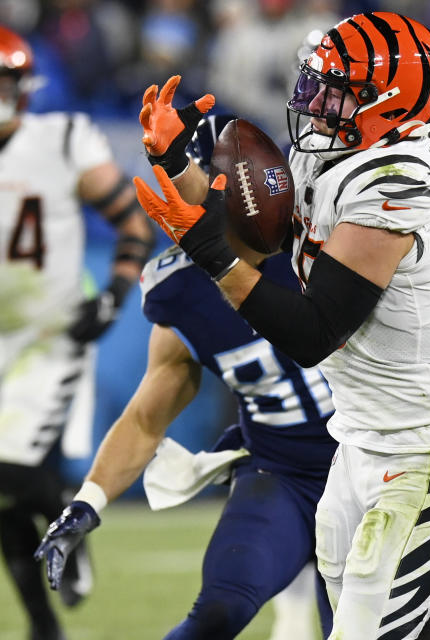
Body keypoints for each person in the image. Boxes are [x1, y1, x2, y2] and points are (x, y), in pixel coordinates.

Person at [128, 12, 430, 640]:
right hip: (360, 434)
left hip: (426, 445)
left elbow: (313, 331)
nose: (314, 100)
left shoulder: (396, 179)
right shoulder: (340, 153)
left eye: (336, 87)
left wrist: (210, 254)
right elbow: (259, 236)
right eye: (317, 82)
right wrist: (178, 161)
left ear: (390, 102)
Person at [33, 114, 337, 640]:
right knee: (217, 614)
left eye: (183, 175)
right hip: (283, 475)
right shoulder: (183, 291)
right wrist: (87, 503)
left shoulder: (330, 234)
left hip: (373, 464)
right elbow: (146, 420)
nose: (174, 194)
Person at [0, 25, 155, 640]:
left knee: (10, 470)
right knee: (5, 491)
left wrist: (116, 292)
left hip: (49, 334)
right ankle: (43, 625)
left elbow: (129, 217)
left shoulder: (61, 138)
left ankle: (70, 522)